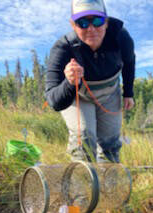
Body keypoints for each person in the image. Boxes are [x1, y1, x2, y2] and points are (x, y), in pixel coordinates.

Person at [45, 0, 135, 163]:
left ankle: (110, 184)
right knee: (84, 138)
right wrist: (70, 83)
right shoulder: (62, 48)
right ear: (73, 24)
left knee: (111, 142)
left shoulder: (121, 37)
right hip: (78, 96)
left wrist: (128, 92)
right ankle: (83, 184)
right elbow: (54, 101)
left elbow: (129, 62)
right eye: (83, 22)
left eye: (97, 21)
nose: (91, 29)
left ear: (106, 22)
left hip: (109, 95)